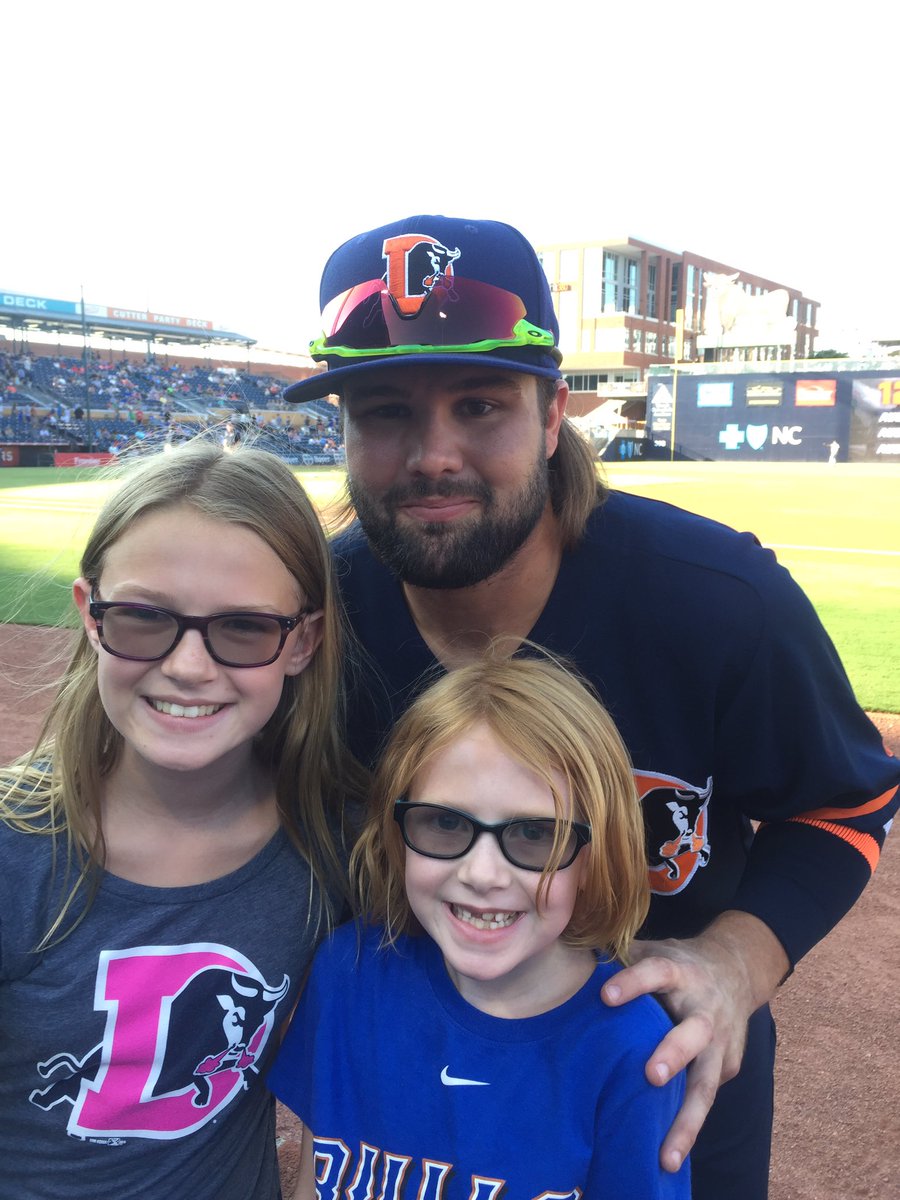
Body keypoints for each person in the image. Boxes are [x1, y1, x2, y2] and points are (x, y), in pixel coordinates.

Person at [281, 213, 900, 1200]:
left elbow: (840, 799)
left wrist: (739, 960)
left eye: (480, 405)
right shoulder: (313, 619)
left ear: (553, 409)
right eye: (386, 411)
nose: (433, 454)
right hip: (400, 1111)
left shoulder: (711, 598)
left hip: (665, 1096)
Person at [0, 440, 361, 1199]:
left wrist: (683, 959)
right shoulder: (15, 849)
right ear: (90, 618)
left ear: (301, 642)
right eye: (142, 617)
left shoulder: (335, 842)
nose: (189, 666)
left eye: (242, 628)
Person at [270, 653, 691, 1198]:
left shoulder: (631, 1050)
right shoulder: (348, 972)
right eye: (445, 823)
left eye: (536, 834)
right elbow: (316, 1173)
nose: (483, 874)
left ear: (596, 855)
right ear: (397, 833)